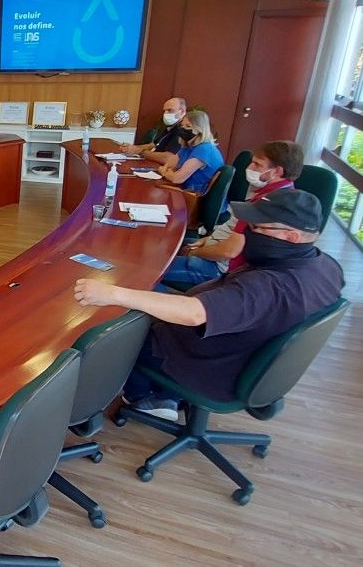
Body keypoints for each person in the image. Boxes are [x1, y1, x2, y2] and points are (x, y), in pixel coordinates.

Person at [74, 189, 344, 420]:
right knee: (147, 296)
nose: (248, 232)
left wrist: (111, 294)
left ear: (291, 237)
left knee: (113, 330)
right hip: (237, 351)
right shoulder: (326, 266)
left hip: (205, 366)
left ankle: (143, 397)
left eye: (257, 227)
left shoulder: (269, 288)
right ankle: (161, 392)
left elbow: (194, 314)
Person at [160, 141, 302, 288]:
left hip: (220, 268)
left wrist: (194, 253)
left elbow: (229, 251)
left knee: (148, 269)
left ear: (277, 172)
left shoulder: (266, 205)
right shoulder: (279, 192)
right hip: (215, 248)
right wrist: (208, 240)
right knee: (166, 243)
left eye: (257, 165)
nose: (249, 168)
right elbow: (232, 228)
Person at [156, 110, 224, 196]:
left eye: (188, 126)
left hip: (195, 196)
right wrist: (169, 172)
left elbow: (176, 179)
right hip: (184, 189)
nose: (183, 129)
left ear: (199, 129)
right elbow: (168, 166)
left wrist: (166, 172)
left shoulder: (204, 149)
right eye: (182, 126)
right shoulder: (187, 146)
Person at [119, 97, 187, 163]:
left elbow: (168, 158)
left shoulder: (182, 131)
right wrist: (131, 148)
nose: (165, 114)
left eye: (170, 110)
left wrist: (139, 151)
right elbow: (153, 145)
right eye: (164, 111)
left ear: (182, 112)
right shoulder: (170, 127)